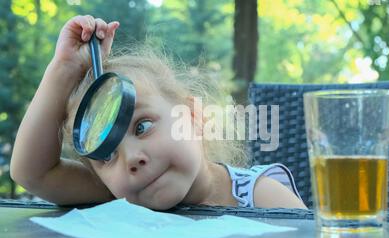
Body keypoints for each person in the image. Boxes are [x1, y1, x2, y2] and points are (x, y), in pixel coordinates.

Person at [10, 15, 307, 210]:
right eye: (106, 156)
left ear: (192, 117)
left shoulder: (262, 198)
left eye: (142, 127)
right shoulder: (118, 195)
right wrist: (63, 70)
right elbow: (32, 172)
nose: (131, 160)